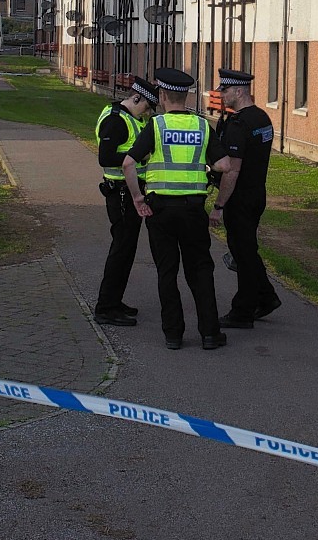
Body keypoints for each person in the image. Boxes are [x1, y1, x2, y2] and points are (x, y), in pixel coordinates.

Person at [123, 67, 232, 351]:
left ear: (162, 95)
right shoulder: (202, 126)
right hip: (193, 210)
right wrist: (204, 168)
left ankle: (173, 334)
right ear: (186, 96)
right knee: (200, 270)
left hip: (160, 210)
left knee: (166, 271)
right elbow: (224, 165)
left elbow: (128, 163)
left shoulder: (156, 126)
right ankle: (210, 333)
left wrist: (138, 199)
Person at [210, 66, 282, 329]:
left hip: (239, 197)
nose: (222, 94)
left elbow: (233, 170)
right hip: (256, 193)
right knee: (247, 250)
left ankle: (242, 311)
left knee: (243, 254)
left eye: (225, 90)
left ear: (239, 91)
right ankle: (266, 297)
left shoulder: (238, 124)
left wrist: (219, 205)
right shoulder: (262, 118)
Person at [93, 76, 159, 328]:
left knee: (127, 248)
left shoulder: (129, 118)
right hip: (120, 192)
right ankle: (106, 308)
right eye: (147, 106)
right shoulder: (115, 120)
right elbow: (106, 157)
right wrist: (138, 157)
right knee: (121, 249)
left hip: (127, 190)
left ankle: (114, 301)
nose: (147, 112)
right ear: (136, 97)